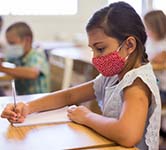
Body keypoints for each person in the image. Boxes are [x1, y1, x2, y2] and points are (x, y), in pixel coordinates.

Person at [1, 2, 161, 149]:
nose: (94, 58)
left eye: (100, 49)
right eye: (92, 50)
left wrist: (87, 117)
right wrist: (28, 107)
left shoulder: (136, 84)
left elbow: (128, 135)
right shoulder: (113, 76)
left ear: (129, 45)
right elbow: (69, 95)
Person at [0, 22, 50, 95]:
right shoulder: (18, 56)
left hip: (38, 99)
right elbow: (5, 58)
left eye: (12, 43)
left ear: (27, 40)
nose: (11, 47)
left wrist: (2, 69)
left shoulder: (37, 55)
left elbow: (33, 73)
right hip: (24, 98)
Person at [144, 10, 166, 144]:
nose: (146, 30)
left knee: (141, 96)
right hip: (155, 82)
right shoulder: (150, 41)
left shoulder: (164, 45)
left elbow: (152, 61)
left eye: (148, 27)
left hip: (162, 88)